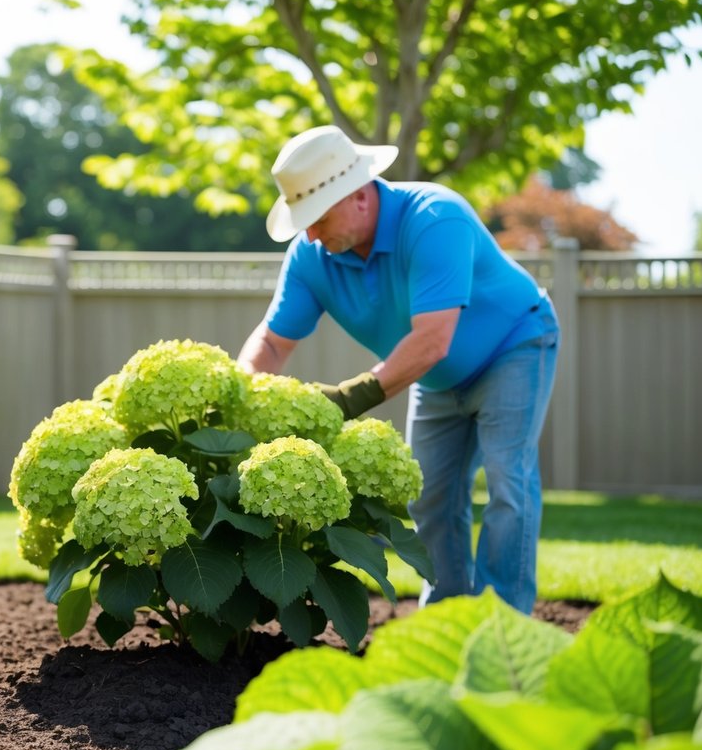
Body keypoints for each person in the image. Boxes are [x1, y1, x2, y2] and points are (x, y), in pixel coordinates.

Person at [237, 125, 559, 615]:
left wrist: (347, 399)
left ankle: (503, 624)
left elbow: (433, 339)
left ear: (359, 196)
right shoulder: (313, 255)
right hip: (434, 377)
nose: (310, 233)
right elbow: (272, 342)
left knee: (507, 484)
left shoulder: (434, 219)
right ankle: (446, 616)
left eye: (317, 217)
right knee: (429, 498)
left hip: (514, 347)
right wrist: (240, 395)